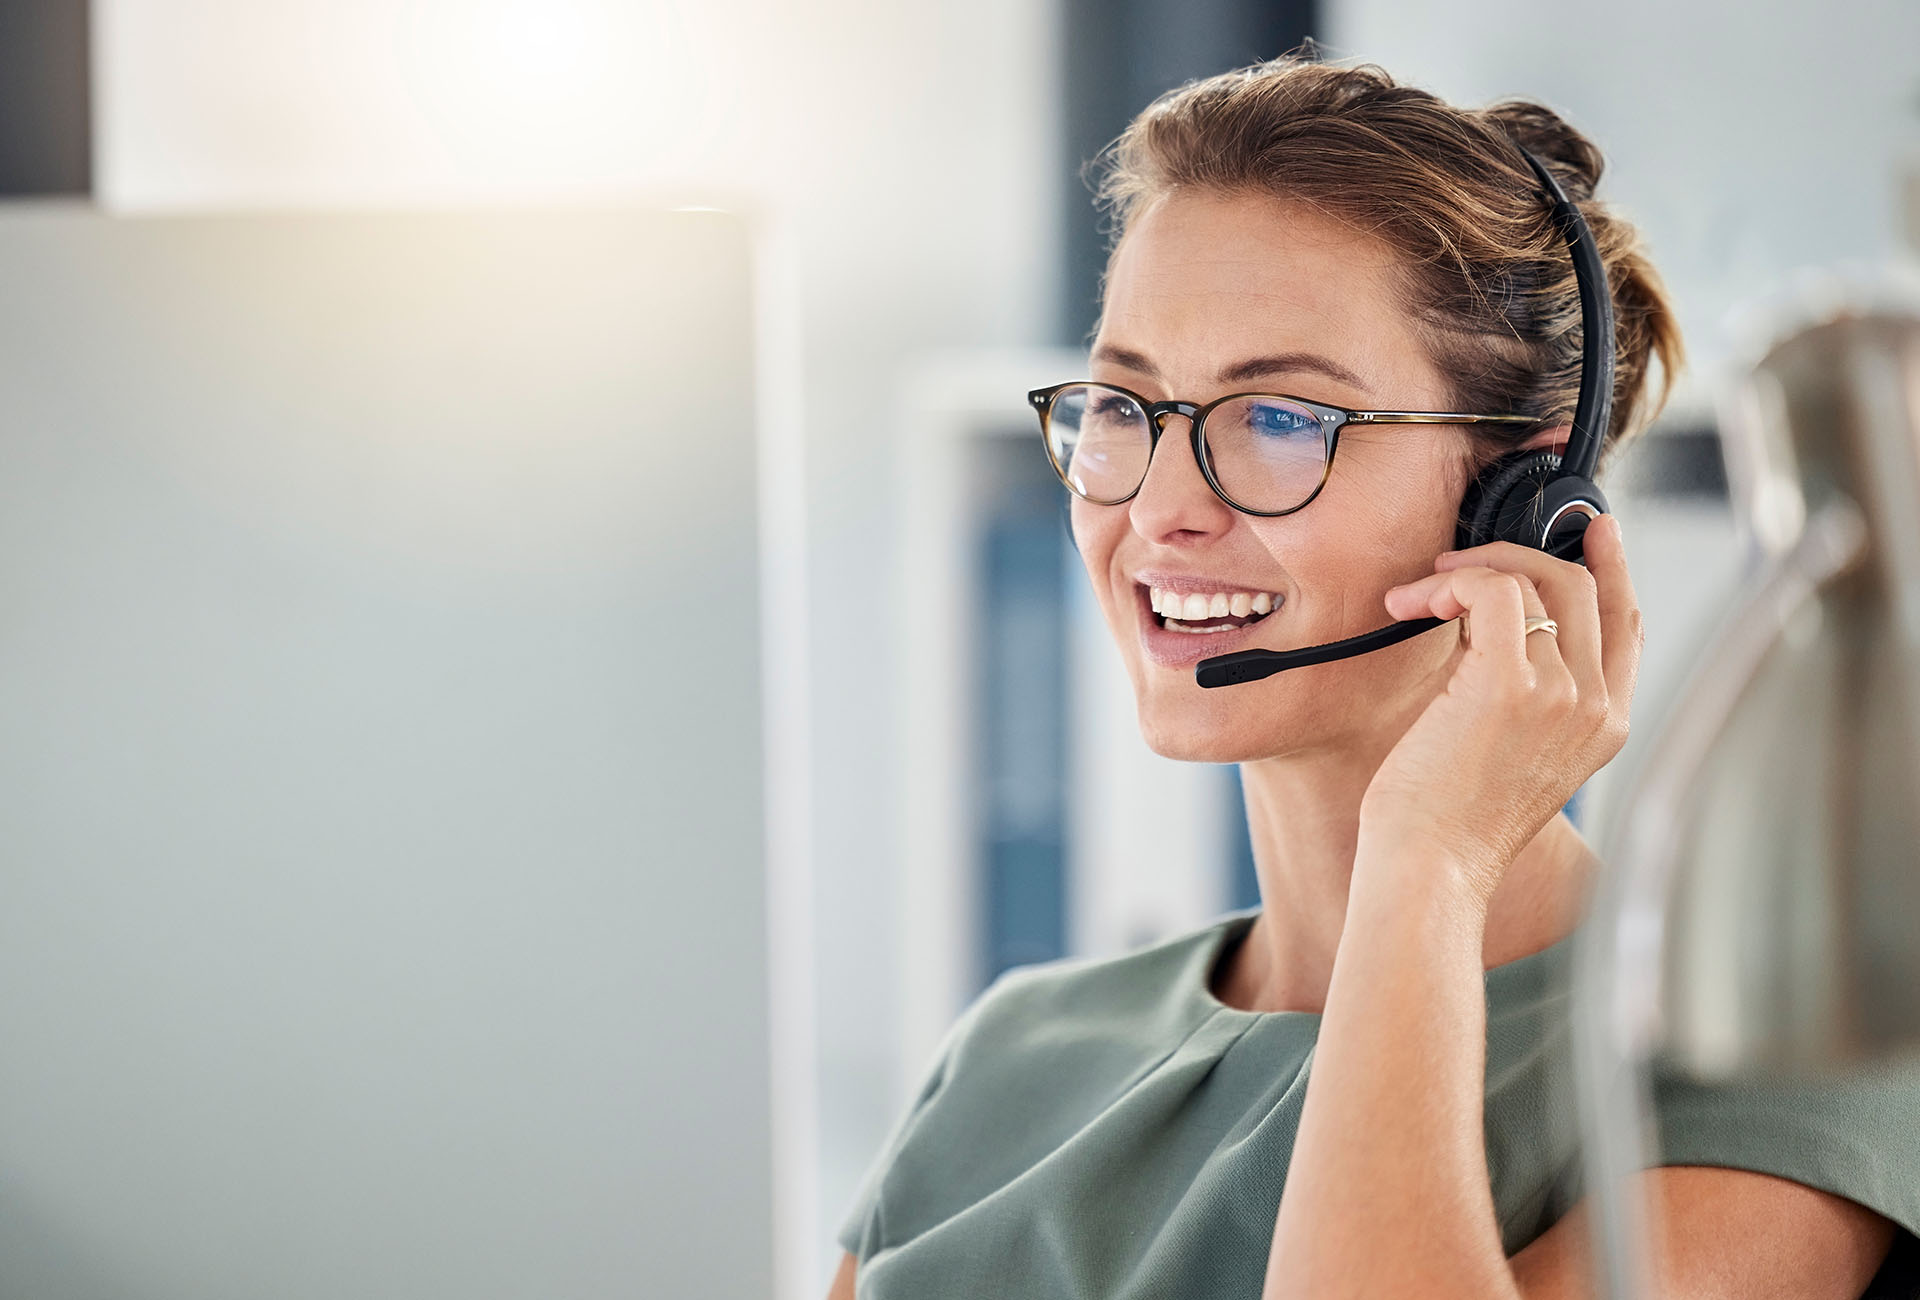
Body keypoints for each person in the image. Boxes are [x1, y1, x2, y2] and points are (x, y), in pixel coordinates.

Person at [827, 54, 1920, 1300]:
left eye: (1280, 418)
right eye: (1124, 406)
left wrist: (1433, 858)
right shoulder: (1009, 1055)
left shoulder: (1777, 1057)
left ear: (1520, 501)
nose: (1161, 508)